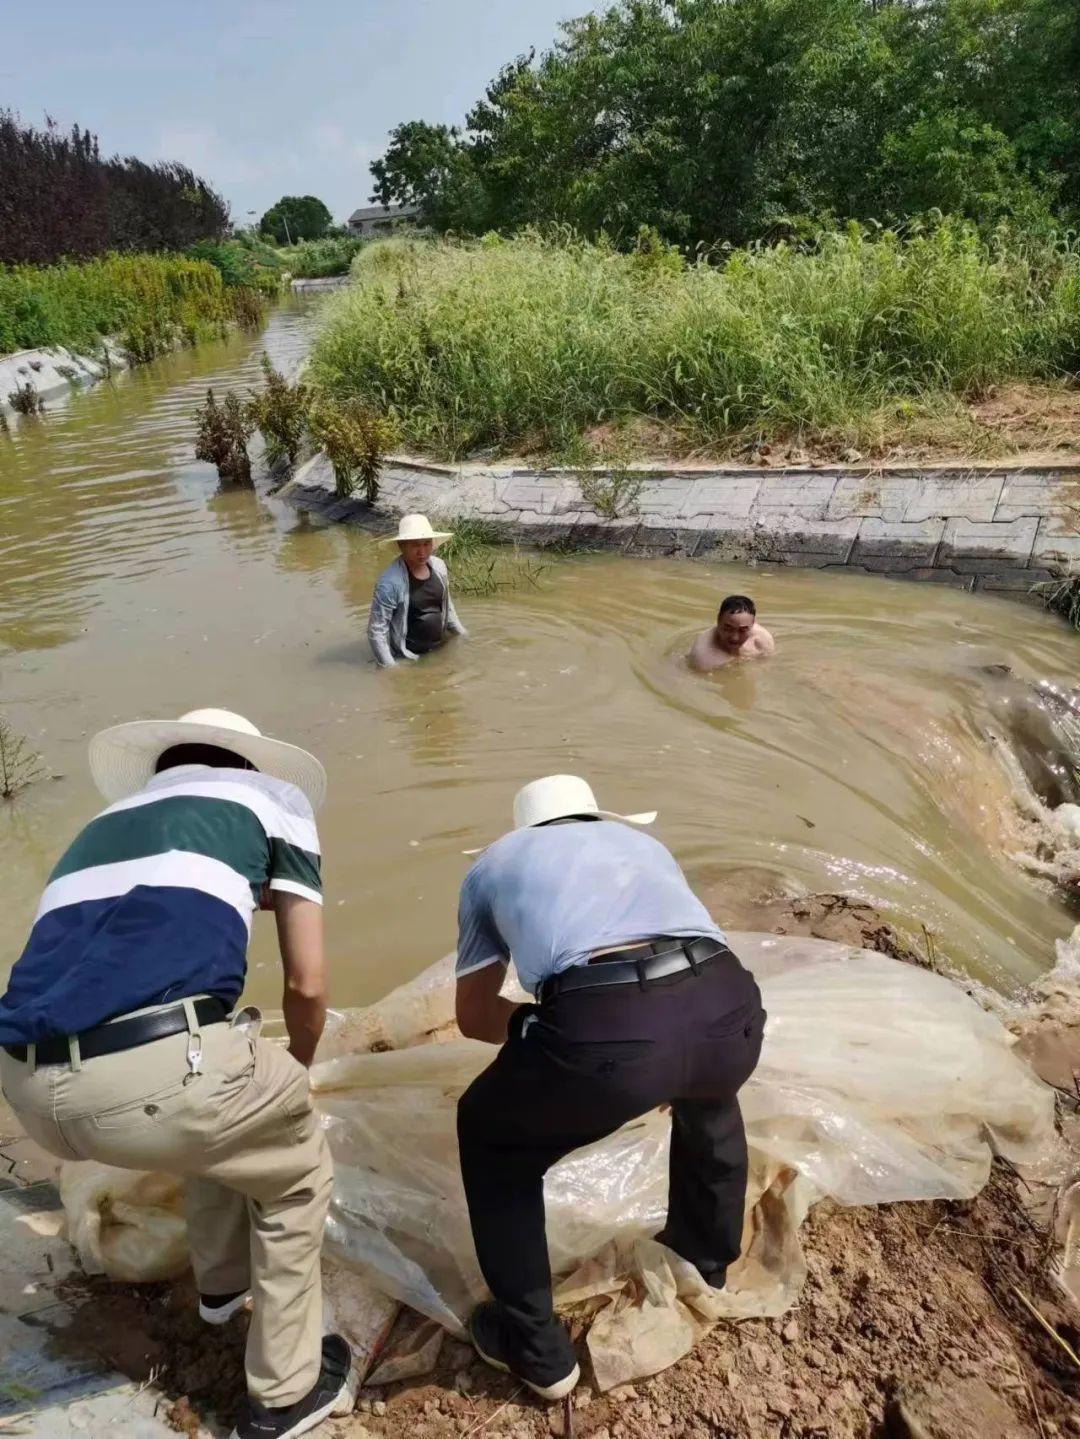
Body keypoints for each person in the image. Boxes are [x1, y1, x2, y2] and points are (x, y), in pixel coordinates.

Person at [0, 709, 354, 1439]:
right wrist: (299, 1074)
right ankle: (286, 1392)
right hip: (150, 1086)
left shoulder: (102, 828)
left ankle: (219, 1292)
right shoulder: (272, 803)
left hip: (27, 1086)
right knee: (292, 1169)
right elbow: (309, 986)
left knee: (224, 1110)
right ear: (249, 766)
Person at [454, 775, 766, 1401]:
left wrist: (537, 1028)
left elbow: (471, 1015)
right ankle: (705, 1262)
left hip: (608, 1030)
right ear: (595, 817)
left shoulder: (490, 869)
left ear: (524, 829)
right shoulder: (643, 844)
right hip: (731, 1006)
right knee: (709, 1093)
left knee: (488, 1135)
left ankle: (538, 1355)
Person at [367, 513, 467, 667]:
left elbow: (447, 606)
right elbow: (377, 632)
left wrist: (463, 635)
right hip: (409, 658)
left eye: (426, 543)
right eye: (415, 545)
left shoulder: (439, 567)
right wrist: (391, 670)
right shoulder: (389, 583)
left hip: (442, 649)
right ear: (402, 545)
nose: (422, 552)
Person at [689, 594, 774, 672]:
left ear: (753, 624)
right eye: (728, 628)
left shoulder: (762, 639)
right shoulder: (704, 657)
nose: (735, 637)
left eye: (742, 630)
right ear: (718, 620)